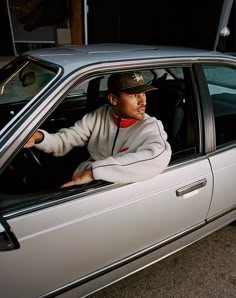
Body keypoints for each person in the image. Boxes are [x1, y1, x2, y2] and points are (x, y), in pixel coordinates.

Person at [24, 71, 172, 188]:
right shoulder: (99, 116)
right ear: (113, 99)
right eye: (134, 95)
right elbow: (63, 142)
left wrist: (94, 172)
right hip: (85, 183)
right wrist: (39, 137)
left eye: (143, 93)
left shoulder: (150, 126)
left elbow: (159, 156)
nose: (143, 101)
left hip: (114, 189)